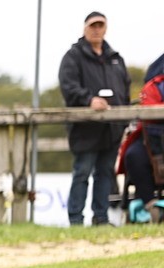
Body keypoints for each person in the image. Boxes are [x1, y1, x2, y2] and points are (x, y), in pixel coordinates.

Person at [58, 11, 130, 226]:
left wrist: (123, 117)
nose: (97, 29)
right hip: (85, 128)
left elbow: (125, 89)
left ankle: (101, 218)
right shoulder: (73, 56)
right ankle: (76, 220)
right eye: (93, 25)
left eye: (101, 25)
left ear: (106, 28)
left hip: (112, 128)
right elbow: (68, 86)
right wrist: (89, 100)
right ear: (85, 28)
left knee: (105, 174)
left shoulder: (115, 58)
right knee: (82, 173)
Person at [118, 54, 164, 223]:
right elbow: (149, 108)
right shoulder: (155, 85)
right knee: (133, 156)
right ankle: (150, 206)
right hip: (152, 138)